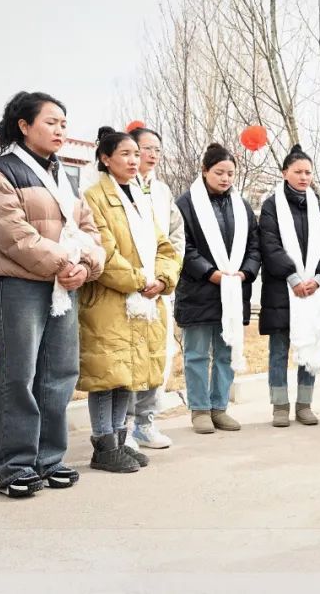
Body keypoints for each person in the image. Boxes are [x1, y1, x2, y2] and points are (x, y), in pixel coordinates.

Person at [0, 91, 104, 498]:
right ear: (24, 125)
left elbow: (90, 230)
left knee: (59, 374)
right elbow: (12, 235)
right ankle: (13, 465)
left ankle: (49, 459)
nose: (60, 131)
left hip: (62, 287)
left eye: (64, 124)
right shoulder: (1, 172)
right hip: (19, 288)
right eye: (51, 122)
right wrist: (65, 264)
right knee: (18, 376)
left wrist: (86, 266)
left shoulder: (62, 176)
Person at [78, 127, 180, 473]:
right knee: (107, 374)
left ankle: (121, 439)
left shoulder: (139, 195)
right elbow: (102, 250)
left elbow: (164, 245)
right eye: (125, 154)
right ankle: (103, 444)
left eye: (136, 154)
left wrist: (163, 279)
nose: (134, 160)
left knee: (130, 373)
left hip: (143, 298)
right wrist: (140, 281)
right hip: (110, 299)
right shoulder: (94, 196)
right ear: (105, 159)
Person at [174, 143, 260, 434]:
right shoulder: (186, 204)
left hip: (233, 291)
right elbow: (181, 246)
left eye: (230, 173)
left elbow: (254, 245)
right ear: (205, 171)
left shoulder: (241, 205)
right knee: (197, 353)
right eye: (219, 172)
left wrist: (246, 272)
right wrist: (209, 273)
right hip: (199, 290)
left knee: (225, 352)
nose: (225, 179)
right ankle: (199, 410)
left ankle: (219, 407)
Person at [259, 145, 320, 427]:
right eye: (298, 172)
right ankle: (280, 405)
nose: (304, 177)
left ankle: (305, 404)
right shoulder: (271, 205)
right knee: (279, 350)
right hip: (283, 289)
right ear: (285, 173)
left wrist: (318, 279)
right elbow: (270, 245)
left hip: (313, 290)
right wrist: (293, 277)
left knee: (310, 346)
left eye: (308, 172)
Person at [125, 124, 185, 450]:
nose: (150, 155)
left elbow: (175, 239)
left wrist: (164, 278)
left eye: (155, 150)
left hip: (159, 290)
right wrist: (138, 278)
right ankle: (124, 427)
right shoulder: (116, 188)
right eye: (143, 149)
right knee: (129, 359)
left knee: (158, 356)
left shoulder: (161, 191)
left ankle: (145, 424)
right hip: (129, 288)